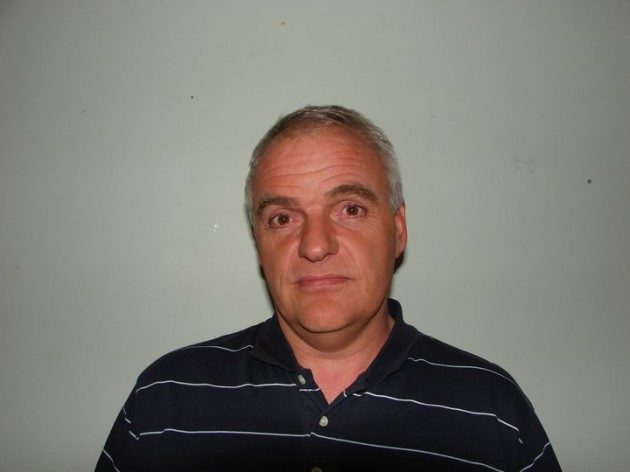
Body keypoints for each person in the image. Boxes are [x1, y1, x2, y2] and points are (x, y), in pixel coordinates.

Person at [96, 105, 561, 471]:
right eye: (283, 218)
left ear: (398, 230)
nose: (315, 245)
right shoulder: (165, 401)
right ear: (260, 245)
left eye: (350, 209)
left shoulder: (492, 412)